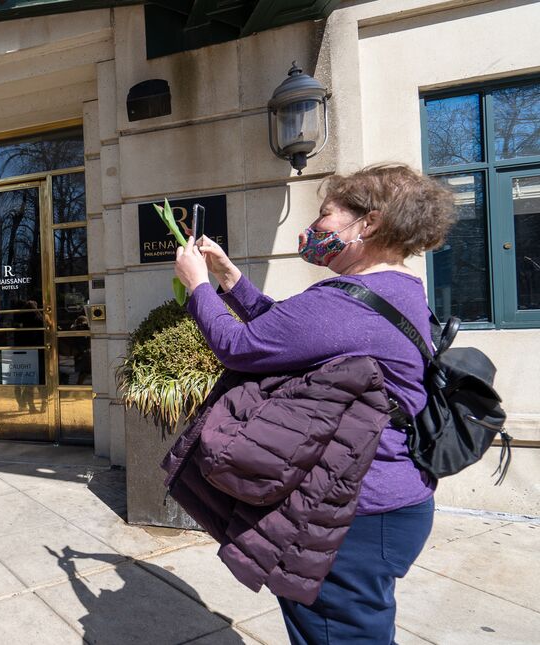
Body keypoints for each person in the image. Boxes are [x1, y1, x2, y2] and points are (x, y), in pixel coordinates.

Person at [172, 164, 455, 644]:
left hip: (351, 514)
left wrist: (197, 286)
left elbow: (242, 347)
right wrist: (229, 278)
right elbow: (287, 331)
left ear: (368, 224)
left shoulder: (347, 301)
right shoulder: (395, 291)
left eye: (326, 215)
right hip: (382, 502)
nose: (314, 228)